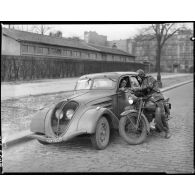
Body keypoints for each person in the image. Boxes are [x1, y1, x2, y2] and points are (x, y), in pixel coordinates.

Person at [132, 69, 171, 138]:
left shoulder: (149, 78)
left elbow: (149, 86)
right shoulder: (141, 83)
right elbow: (143, 92)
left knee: (162, 114)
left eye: (138, 76)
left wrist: (137, 89)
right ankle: (144, 127)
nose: (137, 78)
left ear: (142, 75)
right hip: (148, 98)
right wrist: (134, 93)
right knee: (142, 111)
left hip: (157, 97)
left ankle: (167, 131)